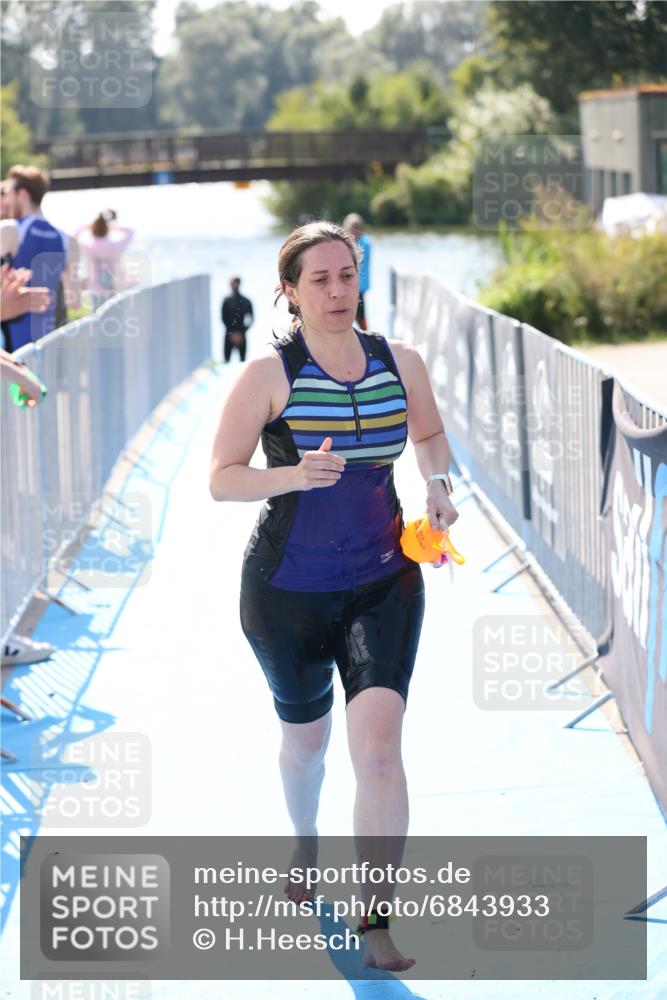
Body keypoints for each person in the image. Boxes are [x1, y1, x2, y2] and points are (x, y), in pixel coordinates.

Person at [209, 221, 459, 972]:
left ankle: (376, 915)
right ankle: (304, 839)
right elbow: (221, 478)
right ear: (288, 291)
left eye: (345, 274)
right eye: (317, 279)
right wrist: (291, 475)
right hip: (285, 591)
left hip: (385, 581)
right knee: (305, 745)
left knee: (379, 752)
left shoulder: (399, 361)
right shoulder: (267, 376)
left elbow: (432, 434)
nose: (336, 290)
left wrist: (438, 485)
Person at [1, 165, 79, 352]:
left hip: (14, 345)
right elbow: (74, 301)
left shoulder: (9, 230)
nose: (5, 200)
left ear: (23, 194)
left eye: (8, 192)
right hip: (50, 343)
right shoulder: (68, 240)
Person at [74, 210, 134, 310]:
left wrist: (91, 224)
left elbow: (76, 232)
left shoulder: (86, 244)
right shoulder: (116, 243)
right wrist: (112, 224)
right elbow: (130, 231)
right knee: (116, 317)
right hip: (114, 286)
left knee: (99, 318)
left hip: (95, 288)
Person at [343, 212, 372, 331]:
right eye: (352, 229)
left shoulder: (365, 244)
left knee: (360, 314)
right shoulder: (344, 242)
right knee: (347, 312)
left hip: (360, 286)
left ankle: (366, 335)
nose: (354, 232)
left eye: (357, 229)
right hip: (346, 285)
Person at [221, 275, 254, 362]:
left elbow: (251, 319)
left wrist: (240, 332)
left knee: (242, 362)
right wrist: (236, 333)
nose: (234, 285)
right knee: (227, 361)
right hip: (232, 334)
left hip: (237, 334)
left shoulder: (246, 301)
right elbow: (223, 318)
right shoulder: (226, 301)